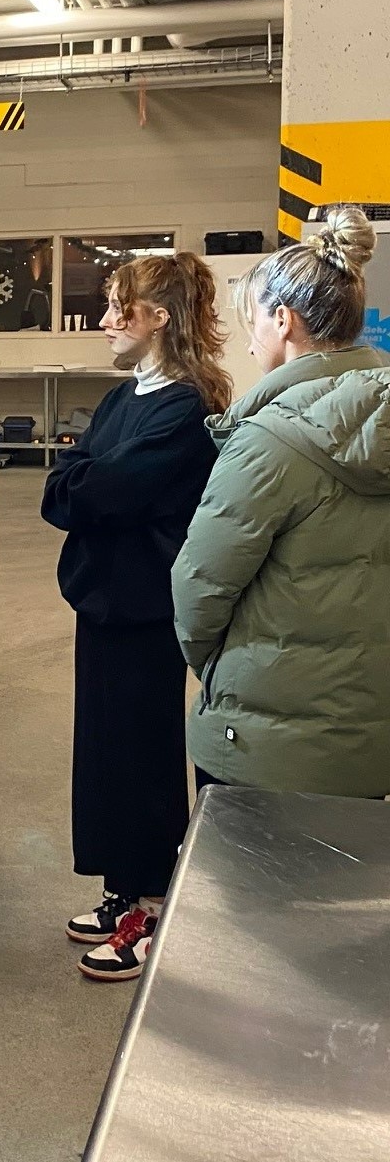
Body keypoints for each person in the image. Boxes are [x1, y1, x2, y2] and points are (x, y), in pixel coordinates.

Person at [41, 253, 229, 982]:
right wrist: (85, 485)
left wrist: (85, 486)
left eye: (118, 307)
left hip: (147, 607)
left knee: (144, 755)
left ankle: (151, 904)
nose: (105, 321)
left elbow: (97, 490)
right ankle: (121, 883)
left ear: (156, 318)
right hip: (103, 599)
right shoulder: (125, 401)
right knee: (104, 750)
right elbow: (66, 489)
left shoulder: (183, 408)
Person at [173, 207, 390, 797]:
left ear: (283, 319)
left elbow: (198, 589)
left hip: (267, 747)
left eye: (253, 323)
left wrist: (226, 672)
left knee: (252, 886)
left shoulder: (269, 441)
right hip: (376, 745)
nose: (250, 339)